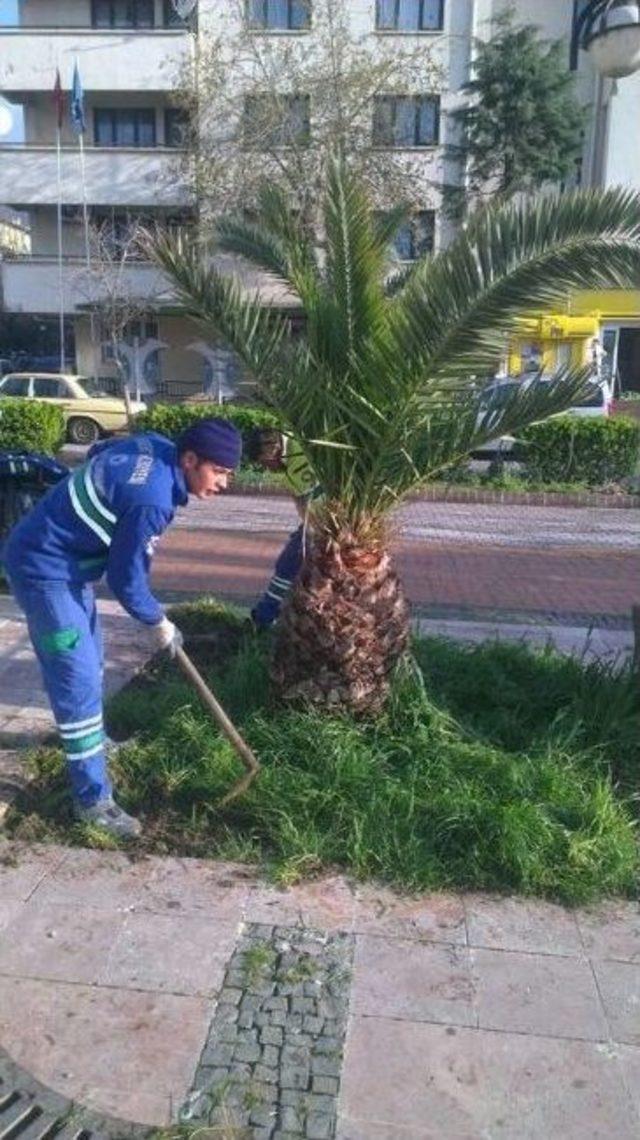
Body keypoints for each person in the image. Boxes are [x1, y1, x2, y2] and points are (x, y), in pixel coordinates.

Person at [3, 418, 242, 838]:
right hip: (44, 571)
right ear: (189, 459)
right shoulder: (153, 501)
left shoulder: (153, 445)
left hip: (66, 566)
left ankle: (95, 742)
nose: (225, 483)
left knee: (92, 662)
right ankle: (93, 801)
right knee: (75, 679)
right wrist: (157, 622)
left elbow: (97, 455)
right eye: (219, 471)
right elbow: (126, 579)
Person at [245, 428, 320, 630]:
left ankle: (264, 618)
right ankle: (269, 616)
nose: (266, 468)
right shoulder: (284, 466)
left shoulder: (303, 445)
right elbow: (299, 498)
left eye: (264, 462)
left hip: (335, 525)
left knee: (289, 563)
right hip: (315, 525)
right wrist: (308, 526)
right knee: (289, 564)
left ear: (272, 448)